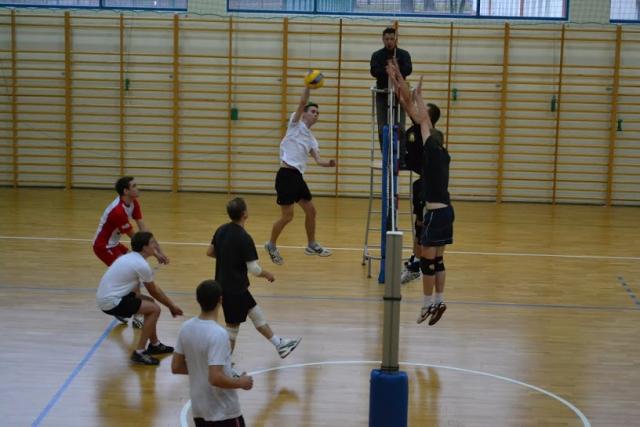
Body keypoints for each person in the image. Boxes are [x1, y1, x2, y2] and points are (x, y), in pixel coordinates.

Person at [387, 60, 453, 326]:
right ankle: (439, 300)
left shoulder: (431, 155)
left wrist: (416, 94)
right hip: (447, 211)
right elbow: (417, 114)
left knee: (427, 262)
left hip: (435, 212)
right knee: (438, 260)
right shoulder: (443, 155)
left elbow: (423, 119)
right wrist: (410, 90)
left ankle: (427, 304)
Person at [207, 197, 302, 358]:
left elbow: (210, 252)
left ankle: (280, 344)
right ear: (244, 214)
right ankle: (223, 364)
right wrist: (268, 274)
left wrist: (227, 258)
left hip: (226, 286)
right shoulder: (244, 238)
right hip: (234, 290)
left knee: (256, 314)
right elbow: (254, 270)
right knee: (232, 330)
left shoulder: (221, 229)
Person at [264, 84, 336, 265]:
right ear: (304, 114)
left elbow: (318, 160)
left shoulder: (312, 139)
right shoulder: (295, 124)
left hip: (297, 177)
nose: (316, 114)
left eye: (317, 113)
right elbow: (303, 101)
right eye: (313, 111)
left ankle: (311, 244)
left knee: (311, 211)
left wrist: (329, 164)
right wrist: (308, 86)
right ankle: (271, 245)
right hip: (286, 175)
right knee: (288, 216)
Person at [172, 279, 253, 427]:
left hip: (199, 410)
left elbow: (176, 366)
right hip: (223, 412)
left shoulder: (186, 327)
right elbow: (215, 378)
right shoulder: (218, 334)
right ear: (220, 300)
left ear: (198, 300)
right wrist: (241, 382)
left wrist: (204, 369)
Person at [96, 231, 183, 365]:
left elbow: (149, 291)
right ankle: (140, 352)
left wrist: (169, 304)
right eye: (152, 243)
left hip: (110, 296)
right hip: (111, 301)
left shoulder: (131, 258)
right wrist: (172, 306)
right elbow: (154, 291)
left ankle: (155, 345)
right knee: (154, 309)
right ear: (144, 248)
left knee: (149, 303)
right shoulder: (141, 265)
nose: (155, 245)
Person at [93, 176, 169, 328]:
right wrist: (155, 254)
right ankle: (135, 313)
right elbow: (137, 239)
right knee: (133, 275)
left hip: (114, 244)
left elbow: (144, 231)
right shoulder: (117, 211)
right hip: (104, 247)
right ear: (126, 191)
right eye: (134, 186)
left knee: (132, 273)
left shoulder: (133, 202)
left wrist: (160, 250)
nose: (137, 188)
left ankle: (123, 306)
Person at [370, 27, 412, 150]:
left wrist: (396, 70)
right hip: (382, 93)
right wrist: (387, 71)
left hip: (399, 94)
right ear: (383, 39)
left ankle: (401, 153)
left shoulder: (403, 54)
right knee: (382, 127)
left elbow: (408, 69)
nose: (389, 42)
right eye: (387, 39)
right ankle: (384, 153)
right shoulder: (377, 55)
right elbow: (374, 71)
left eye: (392, 39)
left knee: (401, 126)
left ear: (395, 39)